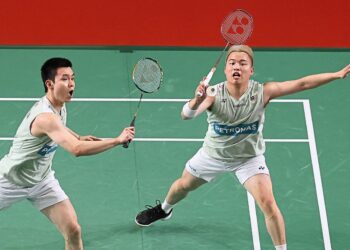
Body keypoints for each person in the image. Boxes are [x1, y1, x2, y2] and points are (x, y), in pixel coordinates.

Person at [135, 45, 350, 250]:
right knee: (182, 186)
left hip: (249, 159)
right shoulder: (212, 94)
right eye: (232, 63)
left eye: (242, 63)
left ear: (251, 69)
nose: (237, 67)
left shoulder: (263, 92)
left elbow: (302, 84)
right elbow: (186, 115)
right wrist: (195, 99)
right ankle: (164, 210)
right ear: (226, 69)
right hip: (213, 156)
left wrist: (337, 74)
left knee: (268, 203)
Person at [0, 57, 135, 250]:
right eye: (64, 79)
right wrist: (116, 140)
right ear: (50, 83)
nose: (71, 83)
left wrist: (78, 135)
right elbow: (76, 149)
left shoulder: (59, 106)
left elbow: (62, 129)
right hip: (9, 180)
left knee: (73, 229)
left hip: (42, 181)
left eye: (73, 78)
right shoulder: (45, 117)